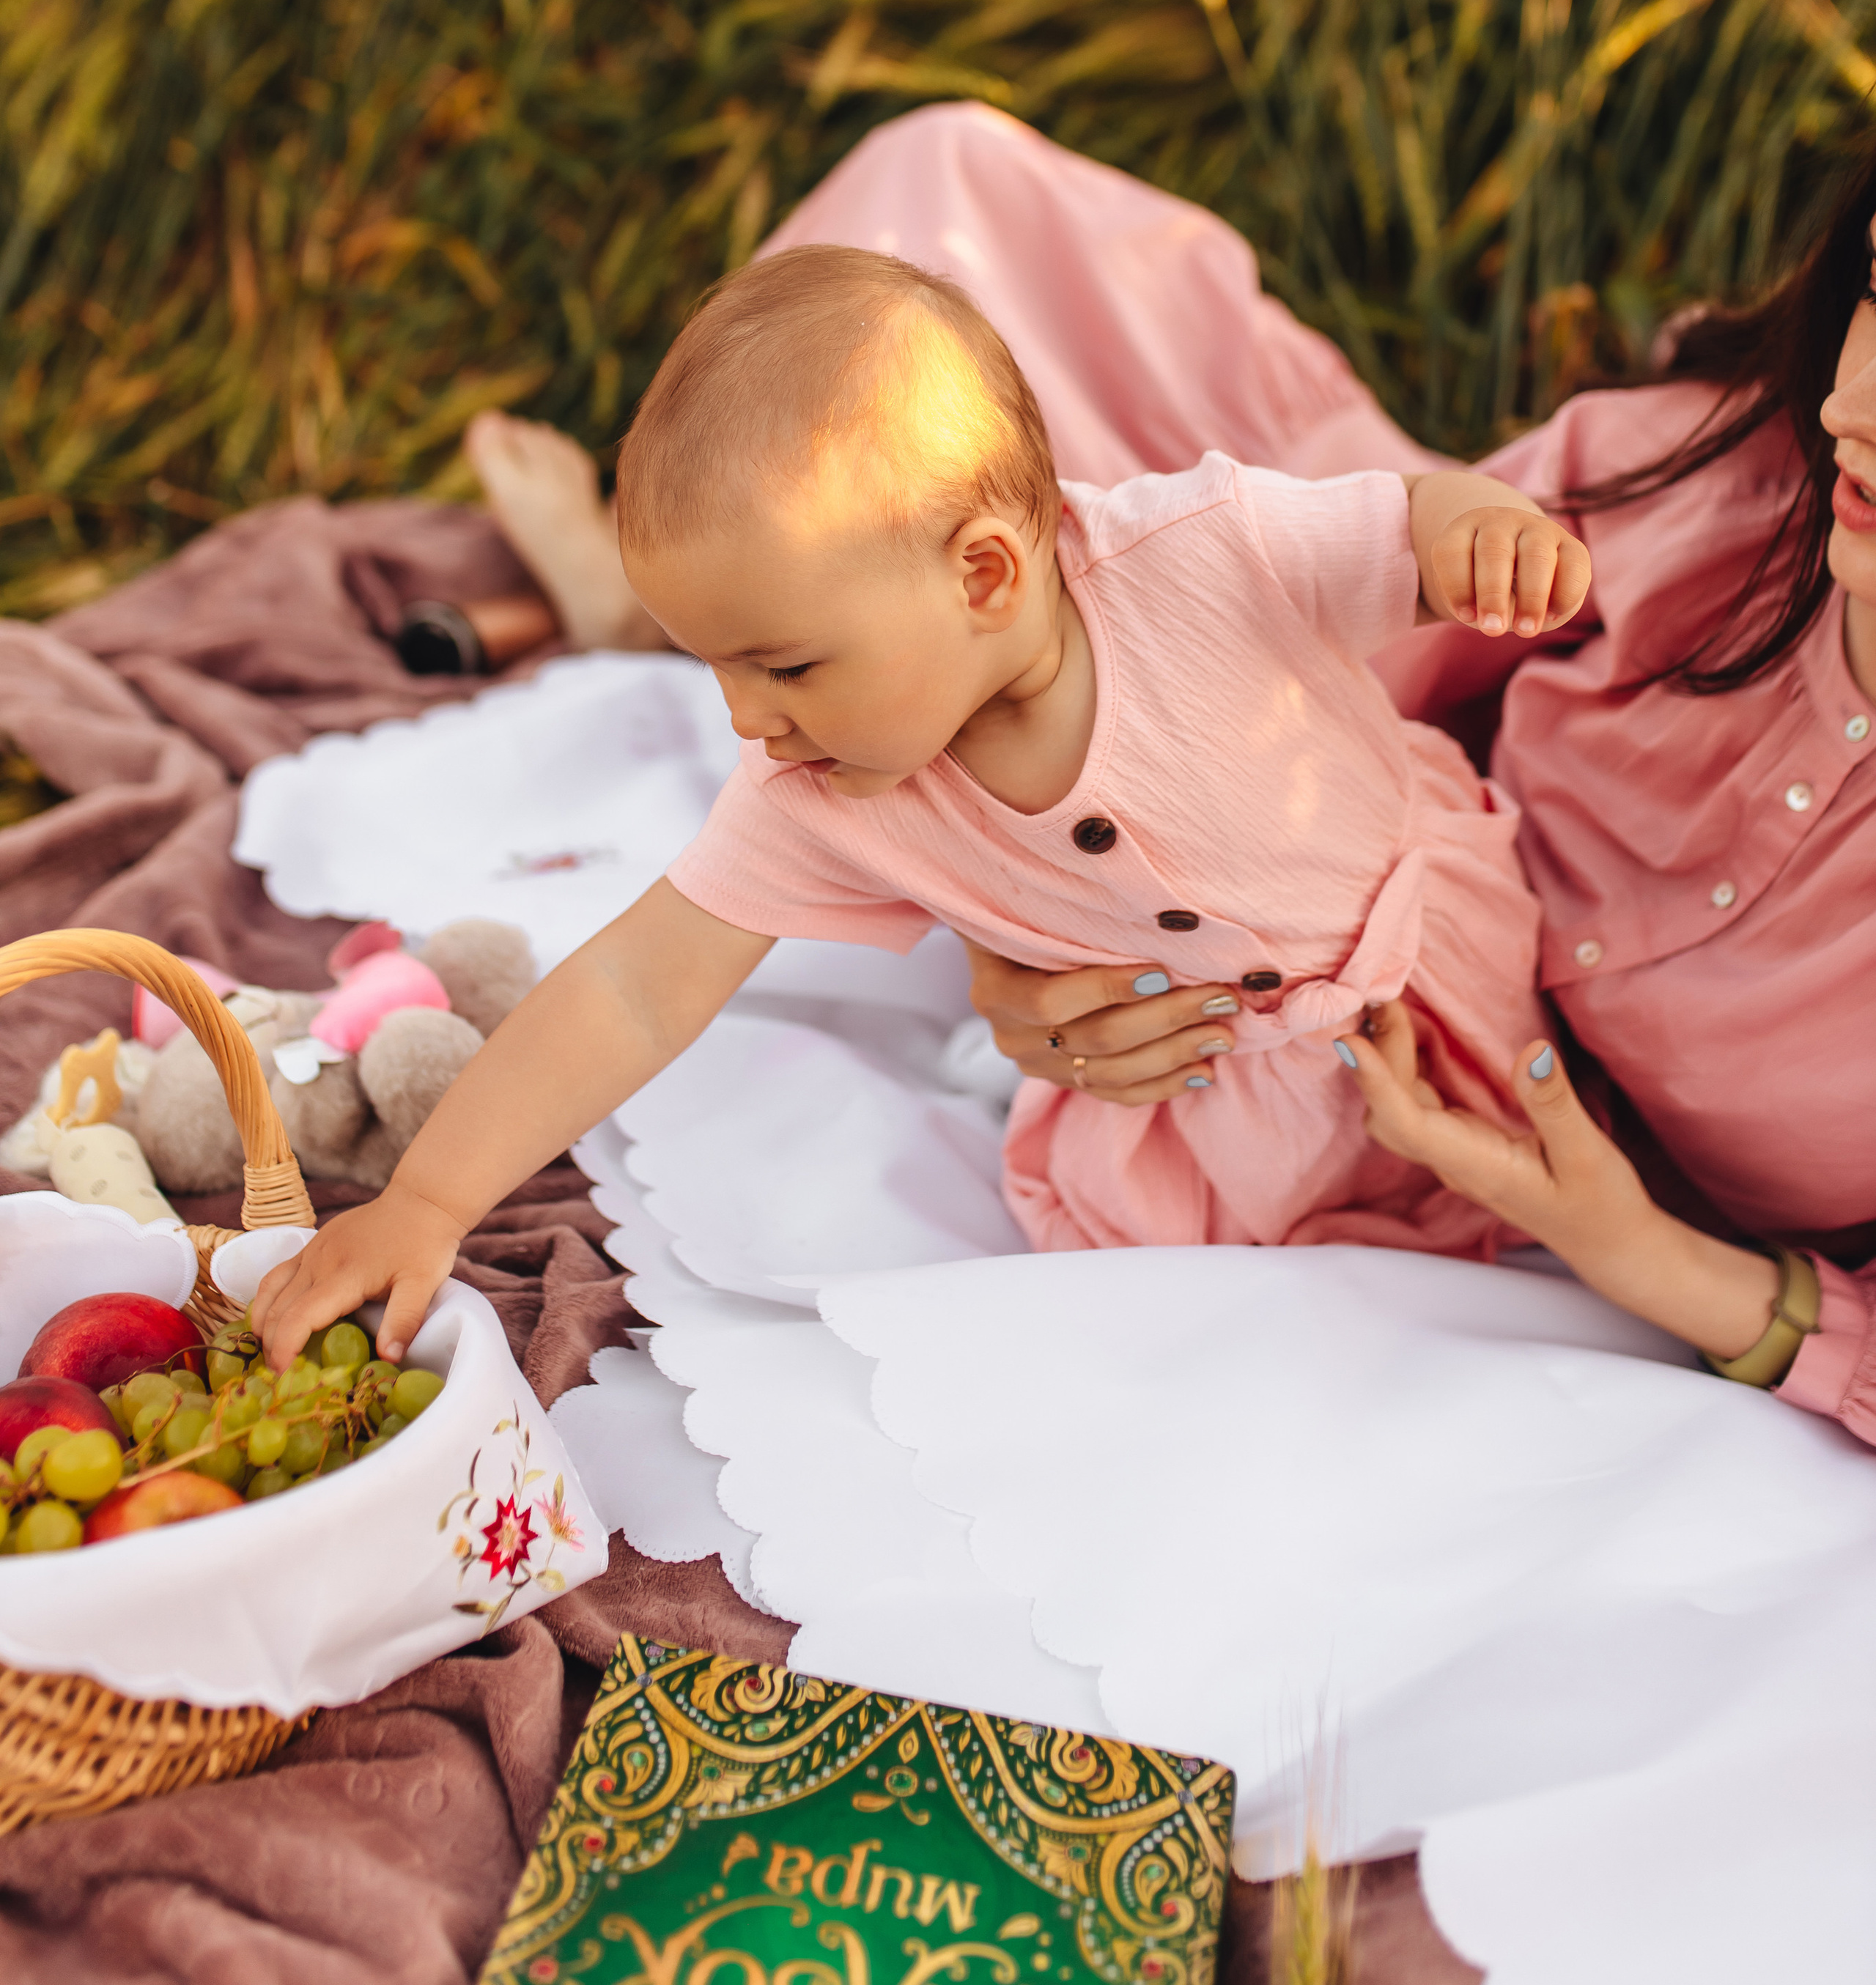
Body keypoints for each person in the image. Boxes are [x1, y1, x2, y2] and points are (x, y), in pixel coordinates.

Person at [471, 101, 1876, 1431]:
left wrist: (1660, 1263)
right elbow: (1398, 616)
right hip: (1333, 787)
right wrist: (1034, 865)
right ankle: (690, 615)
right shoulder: (1753, 473)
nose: (1849, 406)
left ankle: (672, 621)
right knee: (934, 215)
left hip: (1431, 1026)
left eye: (763, 680)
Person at [252, 233, 1592, 1364]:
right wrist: (426, 1202)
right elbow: (635, 987)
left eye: (783, 663)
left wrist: (1483, 529)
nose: (743, 715)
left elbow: (1398, 529)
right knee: (1222, 1342)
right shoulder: (825, 788)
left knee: (1520, 1208)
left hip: (1434, 975)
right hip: (1213, 1105)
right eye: (713, 664)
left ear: (987, 578)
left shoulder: (1207, 551)